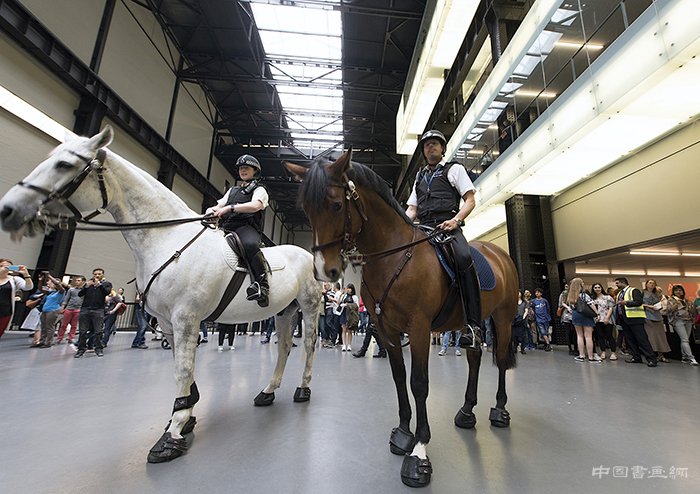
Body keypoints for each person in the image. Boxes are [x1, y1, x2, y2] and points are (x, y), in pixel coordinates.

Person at [405, 129, 481, 348]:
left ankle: (474, 325)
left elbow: (469, 200)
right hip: (423, 227)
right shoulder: (419, 176)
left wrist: (456, 221)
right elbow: (412, 209)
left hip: (448, 227)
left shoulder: (454, 169)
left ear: (443, 148)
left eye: (435, 144)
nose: (431, 147)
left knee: (464, 258)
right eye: (427, 145)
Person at [207, 154, 270, 307]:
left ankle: (262, 286)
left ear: (255, 171)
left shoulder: (259, 189)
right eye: (241, 168)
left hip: (245, 227)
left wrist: (231, 208)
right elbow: (219, 206)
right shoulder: (232, 190)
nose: (243, 170)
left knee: (249, 245)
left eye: (246, 168)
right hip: (226, 226)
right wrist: (210, 211)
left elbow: (256, 206)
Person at [614, 277, 656, 367]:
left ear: (623, 282)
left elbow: (639, 302)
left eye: (617, 283)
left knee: (642, 339)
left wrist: (626, 303)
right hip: (624, 320)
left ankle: (651, 359)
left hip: (635, 318)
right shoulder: (619, 294)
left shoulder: (634, 290)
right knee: (630, 340)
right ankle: (636, 357)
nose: (616, 285)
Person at [74, 268, 112, 358]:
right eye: (95, 274)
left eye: (99, 274)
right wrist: (86, 286)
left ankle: (98, 348)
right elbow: (80, 294)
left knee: (98, 331)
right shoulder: (88, 283)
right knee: (82, 331)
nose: (97, 276)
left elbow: (107, 293)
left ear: (102, 275)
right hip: (85, 309)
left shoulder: (107, 284)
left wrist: (100, 285)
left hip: (98, 310)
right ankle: (81, 349)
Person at [567, 278, 600, 363]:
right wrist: (597, 313)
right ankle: (590, 357)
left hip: (575, 315)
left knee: (579, 336)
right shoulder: (584, 295)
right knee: (588, 336)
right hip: (586, 315)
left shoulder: (570, 296)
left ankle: (581, 355)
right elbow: (591, 304)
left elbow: (570, 308)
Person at [0, 258, 33, 340]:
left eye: (8, 266)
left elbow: (28, 287)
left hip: (5, 312)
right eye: (1, 266)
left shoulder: (14, 279)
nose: (4, 268)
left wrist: (26, 274)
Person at [666, 285, 698, 366]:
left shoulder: (686, 300)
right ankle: (691, 358)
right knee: (685, 340)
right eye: (676, 290)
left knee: (685, 339)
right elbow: (668, 310)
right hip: (678, 321)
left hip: (688, 320)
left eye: (680, 290)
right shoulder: (671, 300)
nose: (678, 292)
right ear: (673, 292)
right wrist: (676, 305)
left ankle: (684, 357)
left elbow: (693, 311)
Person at [642, 279, 670, 363]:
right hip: (648, 316)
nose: (652, 284)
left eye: (653, 283)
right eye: (650, 283)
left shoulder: (657, 294)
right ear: (646, 284)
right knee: (651, 337)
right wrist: (650, 307)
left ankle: (661, 355)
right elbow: (640, 303)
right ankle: (652, 355)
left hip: (658, 316)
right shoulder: (642, 293)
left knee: (661, 337)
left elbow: (660, 303)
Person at [37, 272, 65, 347]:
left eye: (51, 282)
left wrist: (49, 276)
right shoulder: (51, 292)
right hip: (45, 310)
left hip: (53, 310)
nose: (49, 283)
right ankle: (42, 341)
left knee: (49, 327)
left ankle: (48, 342)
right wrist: (40, 280)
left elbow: (57, 284)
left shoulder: (61, 291)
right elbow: (40, 288)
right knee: (43, 326)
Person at [591, 283, 617, 360]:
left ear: (601, 288)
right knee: (600, 336)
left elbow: (611, 308)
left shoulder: (607, 297)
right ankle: (603, 352)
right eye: (595, 287)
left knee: (609, 336)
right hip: (597, 320)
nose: (597, 289)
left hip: (607, 319)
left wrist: (607, 318)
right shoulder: (593, 299)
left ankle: (613, 353)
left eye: (599, 287)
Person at [57, 275, 84, 345]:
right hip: (69, 308)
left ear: (83, 282)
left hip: (78, 309)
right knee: (63, 324)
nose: (77, 282)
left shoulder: (84, 291)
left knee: (74, 325)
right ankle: (59, 338)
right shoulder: (71, 290)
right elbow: (66, 299)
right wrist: (62, 308)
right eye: (76, 280)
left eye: (79, 281)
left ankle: (71, 337)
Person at [338, 283, 359, 353]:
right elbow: (339, 303)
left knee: (350, 330)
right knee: (343, 329)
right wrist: (341, 295)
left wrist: (348, 305)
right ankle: (344, 345)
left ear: (352, 289)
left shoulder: (355, 297)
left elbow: (356, 305)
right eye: (347, 288)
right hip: (344, 313)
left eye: (349, 288)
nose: (348, 289)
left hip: (351, 314)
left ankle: (349, 345)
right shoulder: (344, 296)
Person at [558, 283, 577, 356]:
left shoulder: (562, 294)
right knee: (574, 333)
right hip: (574, 314)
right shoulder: (575, 294)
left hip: (566, 315)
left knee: (568, 333)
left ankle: (571, 349)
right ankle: (575, 349)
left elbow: (560, 304)